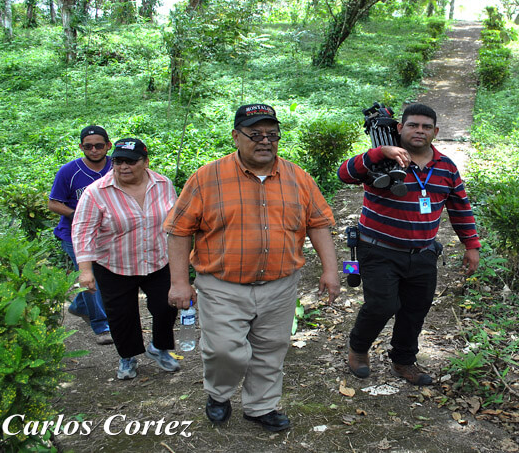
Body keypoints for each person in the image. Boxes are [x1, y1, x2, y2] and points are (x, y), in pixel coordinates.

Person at [165, 103, 339, 431]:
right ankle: (219, 394)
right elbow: (179, 229)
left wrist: (331, 270)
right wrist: (179, 282)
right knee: (225, 351)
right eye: (255, 134)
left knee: (271, 349)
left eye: (272, 135)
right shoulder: (207, 177)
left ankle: (261, 406)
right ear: (235, 137)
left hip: (280, 284)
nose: (265, 141)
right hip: (221, 284)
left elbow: (318, 223)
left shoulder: (297, 177)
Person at [339, 103, 481, 386]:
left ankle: (403, 360)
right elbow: (344, 174)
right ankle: (358, 348)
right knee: (382, 305)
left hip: (423, 253)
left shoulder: (446, 168)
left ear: (435, 132)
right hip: (378, 249)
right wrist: (378, 153)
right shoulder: (382, 162)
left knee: (416, 308)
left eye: (426, 127)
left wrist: (471, 245)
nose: (419, 131)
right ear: (400, 128)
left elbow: (460, 207)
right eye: (413, 125)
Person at [72, 138, 179, 380]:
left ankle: (159, 348)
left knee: (167, 306)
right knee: (122, 314)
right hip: (114, 264)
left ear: (145, 162)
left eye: (131, 161)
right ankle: (128, 356)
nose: (123, 167)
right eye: (118, 161)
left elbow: (174, 222)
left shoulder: (163, 184)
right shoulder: (96, 192)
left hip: (157, 259)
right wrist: (85, 270)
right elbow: (83, 230)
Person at [48, 125, 113, 345]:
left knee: (105, 277)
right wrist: (79, 214)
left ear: (108, 146)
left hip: (108, 234)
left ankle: (79, 306)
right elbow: (53, 203)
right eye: (88, 146)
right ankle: (101, 325)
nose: (94, 150)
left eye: (99, 145)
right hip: (74, 234)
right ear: (81, 147)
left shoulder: (118, 166)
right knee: (90, 276)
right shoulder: (69, 171)